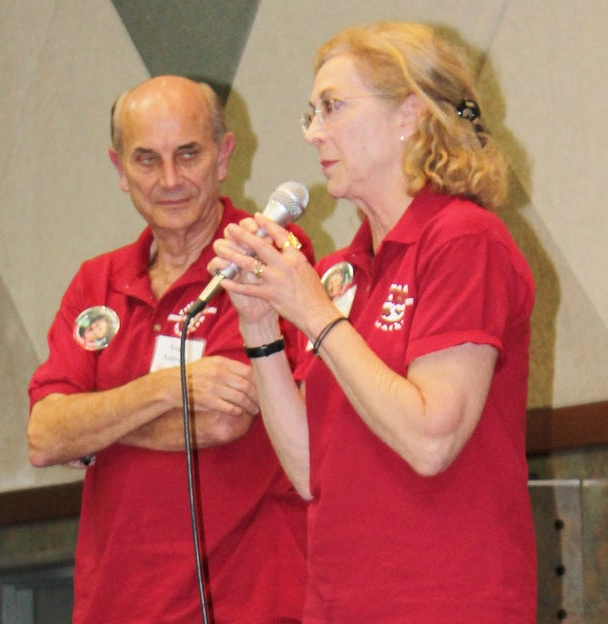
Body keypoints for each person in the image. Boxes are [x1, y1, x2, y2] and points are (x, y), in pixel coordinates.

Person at [210, 22, 536, 623]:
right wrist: (259, 326)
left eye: (332, 107)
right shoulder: (341, 273)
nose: (313, 133)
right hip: (341, 603)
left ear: (410, 113)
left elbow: (431, 439)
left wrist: (311, 310)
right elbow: (311, 471)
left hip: (446, 602)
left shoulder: (464, 239)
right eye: (310, 114)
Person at [28, 75, 313, 623]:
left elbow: (223, 419)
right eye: (146, 160)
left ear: (223, 155)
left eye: (188, 154)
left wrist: (91, 432)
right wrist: (170, 387)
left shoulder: (268, 251)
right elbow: (43, 436)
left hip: (244, 605)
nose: (170, 179)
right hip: (115, 606)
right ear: (119, 170)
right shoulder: (97, 282)